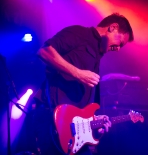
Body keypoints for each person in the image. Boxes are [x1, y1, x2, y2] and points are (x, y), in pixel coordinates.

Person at [32, 13, 134, 155]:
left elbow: (84, 108)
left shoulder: (97, 58)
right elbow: (44, 51)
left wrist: (95, 121)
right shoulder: (80, 33)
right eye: (120, 43)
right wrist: (77, 73)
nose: (118, 49)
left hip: (73, 132)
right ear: (113, 27)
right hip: (53, 120)